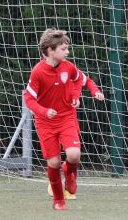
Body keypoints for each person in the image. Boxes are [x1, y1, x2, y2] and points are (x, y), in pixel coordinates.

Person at [24, 28, 83, 210]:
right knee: (54, 162)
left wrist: (75, 95)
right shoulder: (38, 72)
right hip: (45, 122)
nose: (67, 52)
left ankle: (70, 172)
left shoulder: (68, 66)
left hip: (65, 118)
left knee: (73, 154)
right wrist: (43, 111)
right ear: (50, 51)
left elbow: (78, 79)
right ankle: (58, 200)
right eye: (63, 49)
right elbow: (29, 99)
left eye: (67, 49)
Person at [47, 69, 104, 200]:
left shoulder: (70, 70)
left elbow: (87, 81)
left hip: (69, 120)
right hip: (50, 121)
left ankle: (68, 188)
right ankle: (53, 180)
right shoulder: (42, 73)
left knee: (74, 155)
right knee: (54, 155)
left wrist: (95, 91)